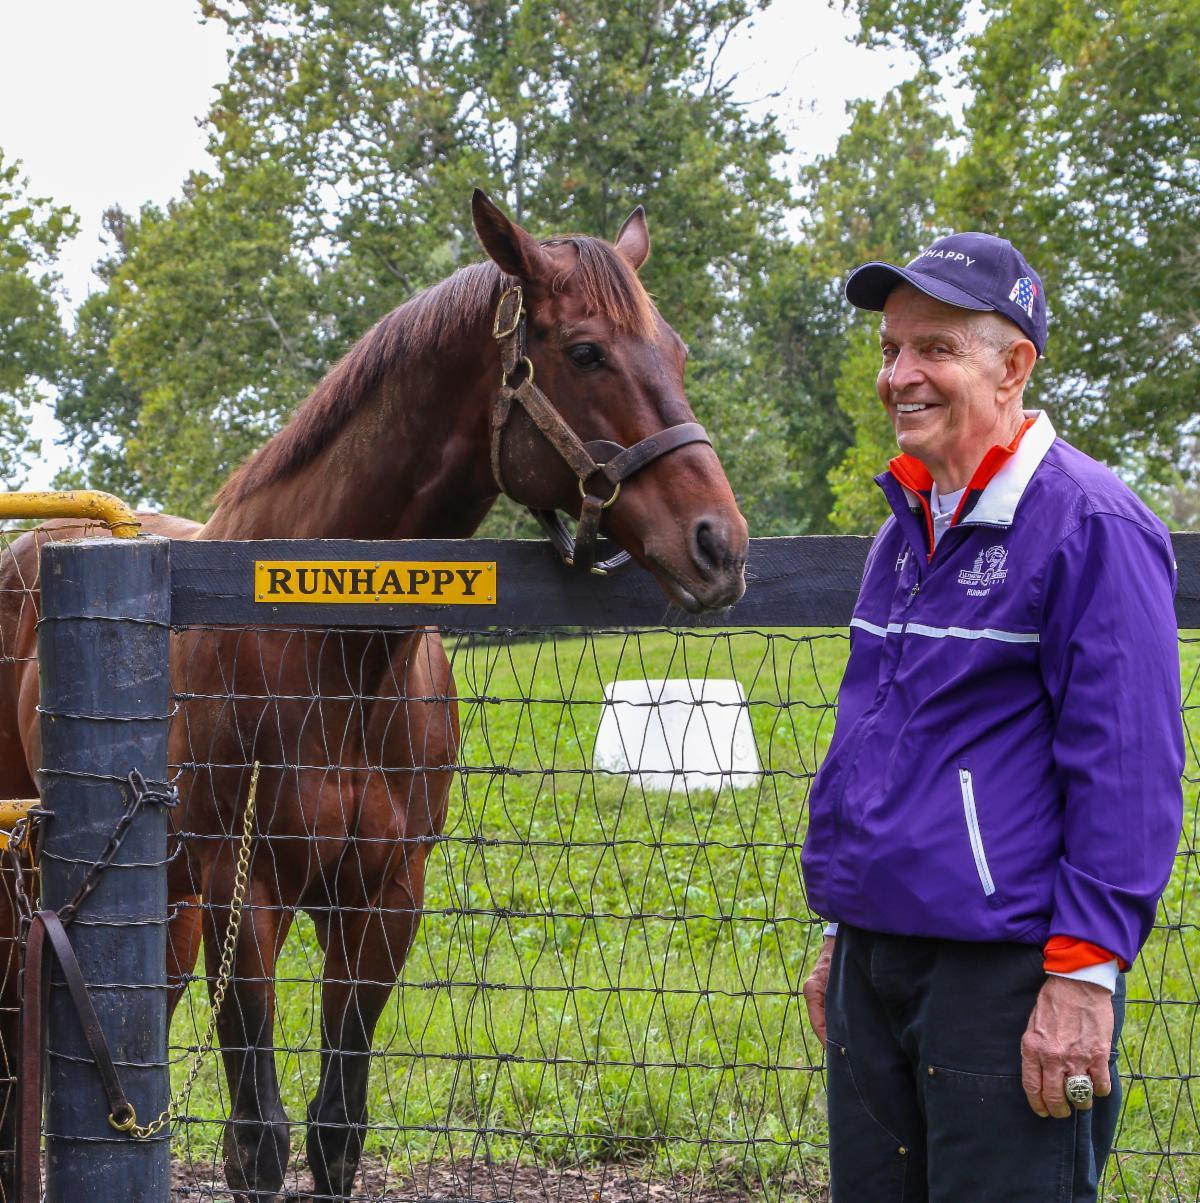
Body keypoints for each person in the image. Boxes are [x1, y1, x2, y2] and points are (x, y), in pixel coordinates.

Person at [800, 232, 1184, 1201]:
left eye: (934, 348)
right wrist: (851, 932)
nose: (900, 376)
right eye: (890, 349)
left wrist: (1084, 976)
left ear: (1013, 365)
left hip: (1006, 978)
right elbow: (883, 740)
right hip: (880, 964)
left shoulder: (1091, 525)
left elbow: (1129, 771)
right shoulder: (906, 526)